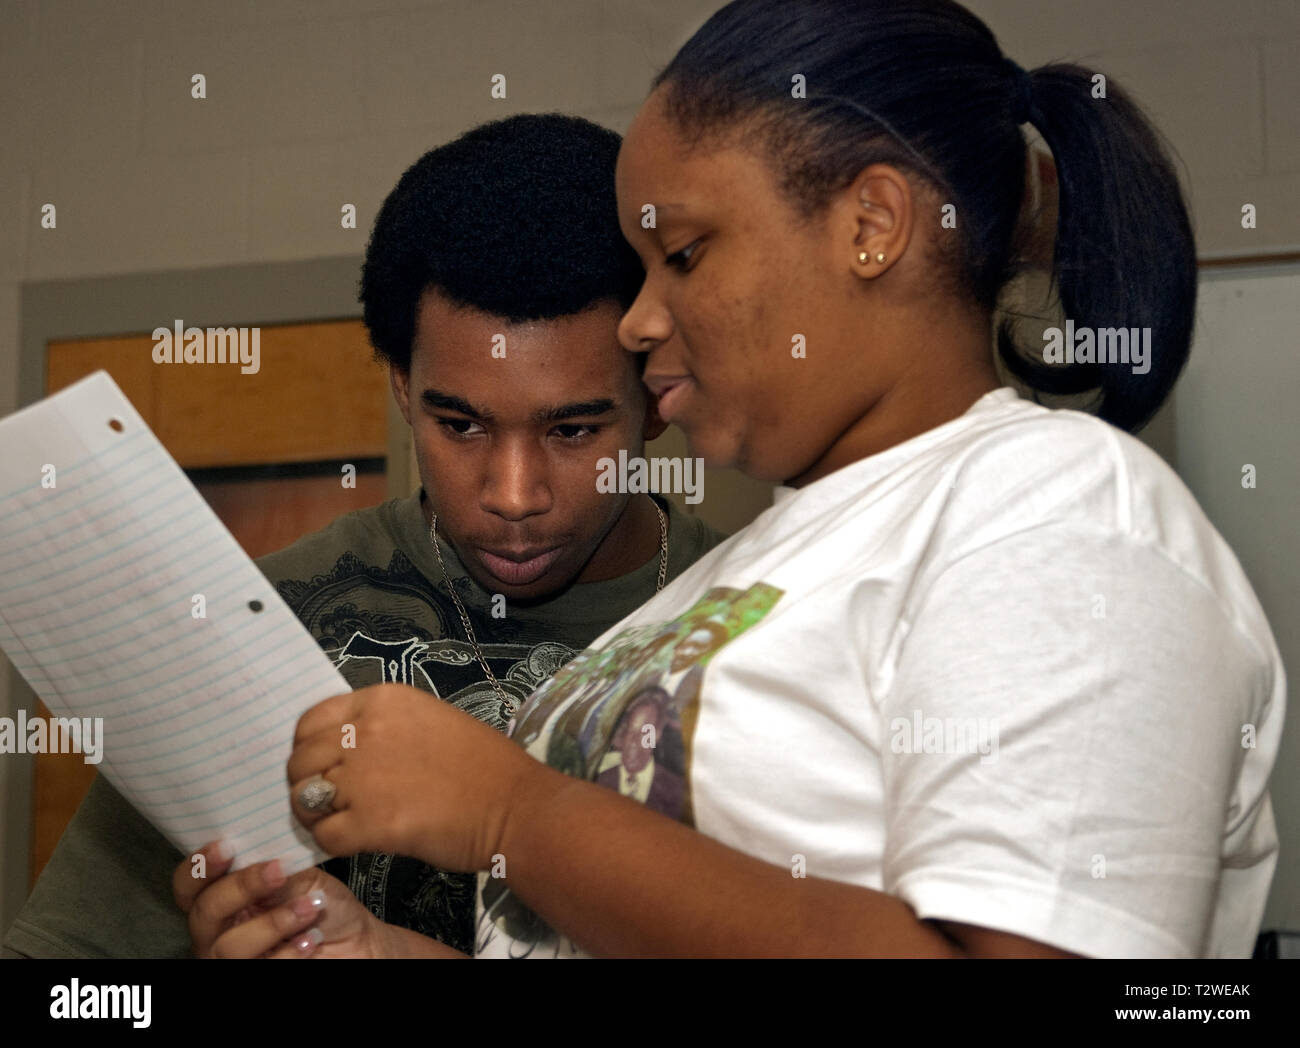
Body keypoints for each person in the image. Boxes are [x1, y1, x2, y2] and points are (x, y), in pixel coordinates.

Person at [276, 0, 1283, 959]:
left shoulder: (1057, 511)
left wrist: (513, 811)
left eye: (680, 254)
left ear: (871, 225)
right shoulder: (738, 576)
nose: (638, 319)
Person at [1, 113, 724, 960]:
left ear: (656, 399)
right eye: (459, 425)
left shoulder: (766, 620)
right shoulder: (259, 629)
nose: (514, 495)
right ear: (400, 387)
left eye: (573, 432)